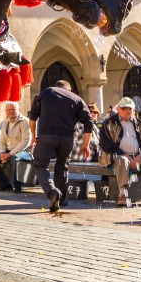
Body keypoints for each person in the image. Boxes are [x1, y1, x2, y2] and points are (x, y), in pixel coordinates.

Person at [28, 80, 92, 213]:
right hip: (67, 138)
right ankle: (62, 200)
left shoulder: (46, 92)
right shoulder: (76, 98)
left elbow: (32, 117)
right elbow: (89, 122)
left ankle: (52, 193)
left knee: (40, 165)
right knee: (62, 167)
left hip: (46, 136)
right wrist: (86, 145)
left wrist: (33, 137)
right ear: (69, 89)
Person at [98, 97, 141, 208]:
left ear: (134, 111)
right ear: (118, 109)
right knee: (122, 160)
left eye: (130, 109)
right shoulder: (109, 123)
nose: (127, 111)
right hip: (116, 156)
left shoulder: (140, 123)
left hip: (137, 155)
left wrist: (140, 155)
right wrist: (125, 155)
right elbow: (105, 144)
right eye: (124, 108)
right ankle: (122, 195)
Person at [0, 101, 32, 192]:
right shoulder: (5, 122)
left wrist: (10, 154)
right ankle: (5, 185)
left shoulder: (24, 121)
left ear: (18, 110)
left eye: (13, 109)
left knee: (15, 159)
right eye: (9, 110)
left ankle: (17, 187)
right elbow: (2, 141)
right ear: (6, 111)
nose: (11, 111)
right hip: (8, 150)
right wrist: (2, 153)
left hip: (24, 151)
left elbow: (26, 141)